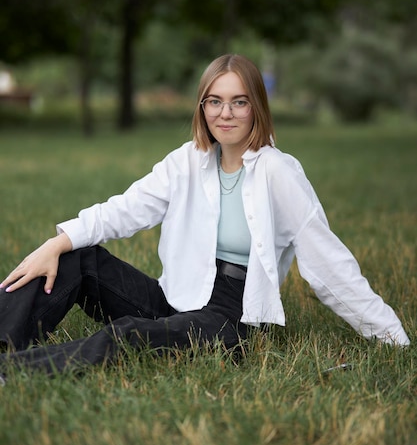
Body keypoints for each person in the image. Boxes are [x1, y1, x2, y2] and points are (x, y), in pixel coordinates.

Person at [0, 54, 410, 382]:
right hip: (177, 296)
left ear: (256, 107)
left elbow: (330, 264)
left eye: (238, 101)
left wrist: (393, 339)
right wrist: (57, 242)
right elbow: (125, 209)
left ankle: (13, 372)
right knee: (77, 257)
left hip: (232, 317)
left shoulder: (278, 172)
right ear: (202, 107)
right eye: (214, 101)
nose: (225, 113)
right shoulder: (188, 160)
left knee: (128, 334)